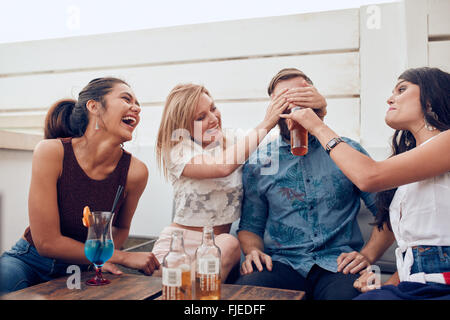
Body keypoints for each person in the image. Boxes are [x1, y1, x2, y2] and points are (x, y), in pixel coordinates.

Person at [281, 67, 450, 300]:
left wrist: (317, 125)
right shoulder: (409, 168)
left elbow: (370, 177)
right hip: (417, 284)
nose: (390, 98)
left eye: (402, 89)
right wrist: (386, 286)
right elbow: (415, 253)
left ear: (430, 99)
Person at [235, 68, 395, 300]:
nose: (293, 106)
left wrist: (367, 256)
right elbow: (250, 226)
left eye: (301, 97)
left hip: (339, 264)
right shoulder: (260, 162)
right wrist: (253, 252)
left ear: (315, 103)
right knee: (249, 295)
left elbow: (387, 214)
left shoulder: (347, 152)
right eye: (283, 99)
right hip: (282, 264)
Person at [152, 82, 327, 282]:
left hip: (219, 246)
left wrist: (320, 108)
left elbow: (281, 139)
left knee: (227, 243)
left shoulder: (233, 139)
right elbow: (222, 167)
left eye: (213, 108)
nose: (213, 118)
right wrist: (267, 121)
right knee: (170, 287)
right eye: (201, 117)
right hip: (179, 245)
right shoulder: (177, 149)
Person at [0, 77, 160, 294]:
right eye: (126, 98)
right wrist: (120, 256)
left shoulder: (135, 172)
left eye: (137, 103)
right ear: (93, 106)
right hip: (29, 262)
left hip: (81, 271)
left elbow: (120, 228)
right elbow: (46, 242)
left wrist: (100, 259)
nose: (137, 108)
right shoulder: (51, 152)